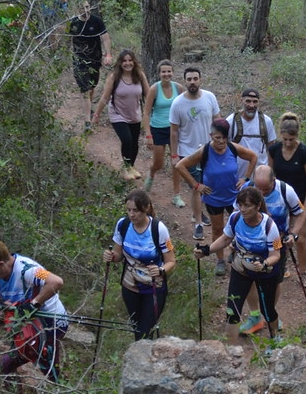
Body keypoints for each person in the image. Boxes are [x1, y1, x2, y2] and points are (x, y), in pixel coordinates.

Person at [193, 187, 283, 344]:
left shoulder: (269, 226)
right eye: (240, 205)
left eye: (247, 205)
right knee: (232, 311)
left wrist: (264, 263)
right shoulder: (235, 218)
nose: (242, 209)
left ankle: (275, 339)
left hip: (266, 273)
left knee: (268, 311)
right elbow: (226, 238)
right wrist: (207, 250)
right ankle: (229, 351)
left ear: (257, 205)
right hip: (240, 270)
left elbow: (276, 255)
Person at [0, 239, 68, 382]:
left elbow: (56, 281)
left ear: (1, 264)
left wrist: (34, 304)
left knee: (45, 364)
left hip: (52, 322)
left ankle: (59, 390)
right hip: (27, 325)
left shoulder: (29, 269)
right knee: (6, 366)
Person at [175, 118, 257, 275]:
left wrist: (245, 178)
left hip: (234, 197)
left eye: (224, 138)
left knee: (240, 227)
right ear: (211, 135)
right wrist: (196, 185)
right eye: (218, 138)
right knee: (218, 228)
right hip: (214, 198)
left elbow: (253, 157)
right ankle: (220, 260)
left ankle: (236, 253)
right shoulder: (204, 151)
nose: (221, 141)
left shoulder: (233, 148)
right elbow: (180, 166)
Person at [237, 165, 306, 334]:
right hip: (250, 242)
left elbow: (301, 212)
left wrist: (293, 234)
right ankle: (255, 316)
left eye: (266, 189)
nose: (261, 192)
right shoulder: (246, 190)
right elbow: (236, 214)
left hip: (277, 242)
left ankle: (271, 313)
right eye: (258, 188)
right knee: (249, 278)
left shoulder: (285, 190)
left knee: (275, 280)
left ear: (274, 181)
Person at [103, 190, 176, 340]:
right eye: (128, 210)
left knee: (145, 330)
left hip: (154, 286)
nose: (131, 214)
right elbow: (118, 255)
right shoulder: (122, 225)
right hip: (130, 285)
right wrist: (111, 256)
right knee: (137, 328)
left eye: (135, 210)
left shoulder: (158, 229)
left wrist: (160, 270)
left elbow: (171, 261)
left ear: (146, 208)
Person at [169, 67, 222, 239]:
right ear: (184, 81)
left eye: (195, 78)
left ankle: (196, 212)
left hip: (209, 148)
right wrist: (174, 155)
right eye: (189, 79)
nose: (192, 82)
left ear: (200, 80)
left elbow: (218, 121)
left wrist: (221, 143)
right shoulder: (177, 103)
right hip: (188, 151)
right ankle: (198, 222)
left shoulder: (210, 97)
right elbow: (174, 131)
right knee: (196, 186)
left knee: (208, 184)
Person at [268, 112, 306, 288]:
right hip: (279, 200)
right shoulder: (274, 150)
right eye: (285, 139)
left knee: (300, 238)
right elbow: (269, 174)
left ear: (297, 136)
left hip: (300, 199)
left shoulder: (304, 153)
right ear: (281, 135)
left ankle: (303, 272)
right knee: (278, 235)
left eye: (292, 139)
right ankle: (281, 265)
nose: (288, 143)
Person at [91, 50, 150, 180]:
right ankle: (126, 168)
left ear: (134, 62)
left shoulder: (139, 76)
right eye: (124, 61)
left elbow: (149, 94)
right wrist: (96, 115)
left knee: (134, 143)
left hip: (134, 114)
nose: (127, 63)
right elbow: (105, 97)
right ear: (120, 63)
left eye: (130, 60)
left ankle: (131, 167)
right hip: (117, 114)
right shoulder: (114, 77)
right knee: (127, 140)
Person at [67, 1, 113, 131]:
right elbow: (66, 39)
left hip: (94, 59)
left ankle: (89, 108)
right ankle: (87, 122)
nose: (85, 10)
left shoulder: (96, 21)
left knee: (92, 86)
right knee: (85, 89)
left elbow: (105, 38)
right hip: (79, 60)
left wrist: (108, 54)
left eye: (87, 7)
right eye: (82, 7)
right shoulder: (73, 23)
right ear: (77, 8)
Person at [141, 60, 185, 192]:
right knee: (158, 163)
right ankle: (152, 173)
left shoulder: (179, 88)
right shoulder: (154, 89)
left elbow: (184, 108)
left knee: (176, 163)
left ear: (173, 72)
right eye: (163, 71)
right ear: (159, 73)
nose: (166, 74)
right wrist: (148, 135)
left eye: (169, 71)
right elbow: (147, 113)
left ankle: (176, 194)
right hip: (158, 129)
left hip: (175, 129)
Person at [226, 88, 277, 179]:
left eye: (255, 102)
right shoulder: (231, 121)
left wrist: (271, 173)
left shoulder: (266, 121)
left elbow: (271, 149)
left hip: (261, 178)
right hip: (237, 177)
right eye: (248, 101)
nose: (251, 105)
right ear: (241, 101)